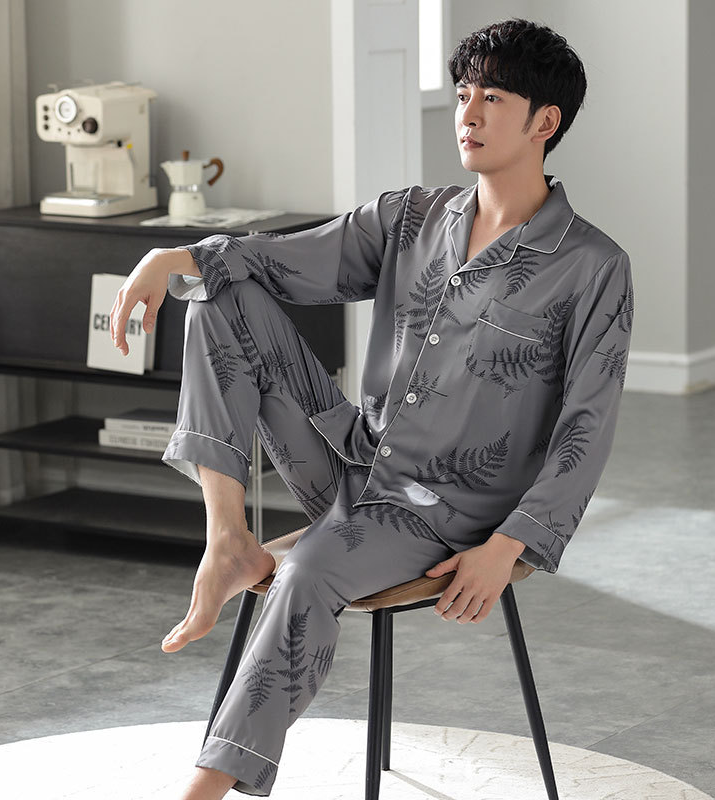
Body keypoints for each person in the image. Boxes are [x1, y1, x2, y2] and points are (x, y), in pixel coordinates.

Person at [110, 17, 633, 799]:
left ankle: (204, 790)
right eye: (464, 93)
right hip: (351, 457)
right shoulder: (412, 218)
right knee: (218, 299)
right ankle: (228, 539)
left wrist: (508, 547)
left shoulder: (591, 267)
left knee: (307, 572)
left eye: (493, 97)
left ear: (544, 121)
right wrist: (173, 255)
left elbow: (585, 429)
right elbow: (285, 261)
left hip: (441, 515)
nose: (468, 113)